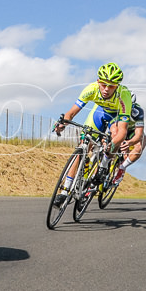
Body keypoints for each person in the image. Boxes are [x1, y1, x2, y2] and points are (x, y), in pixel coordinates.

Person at [53, 62, 132, 203]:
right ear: (98, 82)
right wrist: (62, 124)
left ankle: (104, 164)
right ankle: (65, 190)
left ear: (117, 86)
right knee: (83, 147)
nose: (106, 89)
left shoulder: (124, 95)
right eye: (103, 84)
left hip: (116, 116)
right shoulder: (91, 89)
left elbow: (123, 132)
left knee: (115, 135)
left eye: (111, 86)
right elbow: (71, 113)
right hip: (99, 113)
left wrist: (110, 151)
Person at [112, 98, 146, 185]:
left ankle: (122, 168)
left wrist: (129, 143)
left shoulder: (138, 112)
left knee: (141, 143)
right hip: (117, 130)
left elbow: (139, 134)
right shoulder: (114, 109)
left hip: (131, 131)